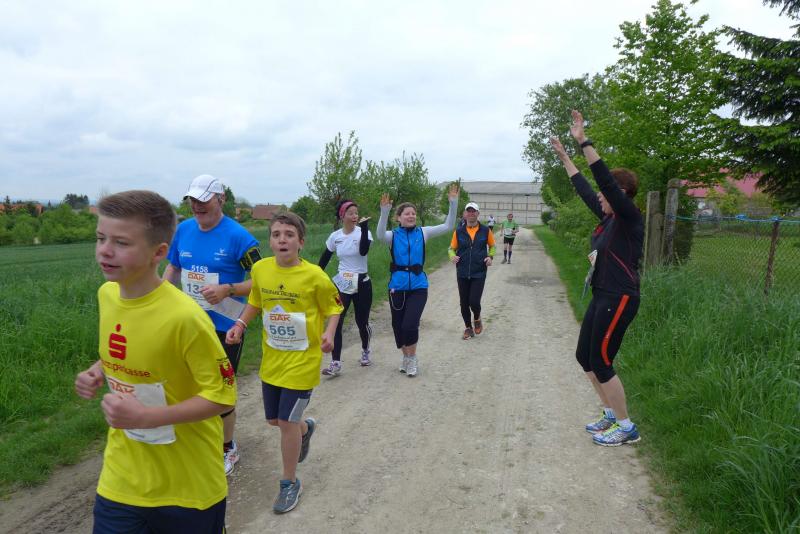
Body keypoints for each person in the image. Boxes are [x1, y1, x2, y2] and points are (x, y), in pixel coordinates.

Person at [75, 190, 236, 534]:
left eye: (121, 242)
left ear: (159, 253)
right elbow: (126, 348)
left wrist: (147, 417)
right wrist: (97, 370)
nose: (105, 250)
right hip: (122, 480)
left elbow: (223, 396)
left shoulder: (186, 318)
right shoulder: (107, 295)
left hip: (188, 488)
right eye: (101, 238)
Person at [226, 212, 342, 513]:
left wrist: (329, 333)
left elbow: (334, 307)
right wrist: (240, 324)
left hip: (303, 362)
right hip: (272, 361)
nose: (282, 239)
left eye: (289, 235)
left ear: (300, 242)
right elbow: (255, 300)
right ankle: (305, 429)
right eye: (276, 234)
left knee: (286, 423)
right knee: (276, 421)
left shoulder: (315, 276)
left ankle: (289, 483)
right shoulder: (261, 269)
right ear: (270, 241)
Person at [549, 109, 644, 446]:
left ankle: (626, 427)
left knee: (602, 361)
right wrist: (565, 157)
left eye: (606, 193)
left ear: (620, 193)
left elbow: (602, 182)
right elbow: (586, 189)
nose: (600, 197)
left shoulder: (629, 217)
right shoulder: (607, 219)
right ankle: (610, 414)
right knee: (585, 357)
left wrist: (583, 141)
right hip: (602, 295)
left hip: (619, 297)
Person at [162, 174, 260, 475]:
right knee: (186, 384)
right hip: (189, 323)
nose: (197, 206)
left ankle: (228, 447)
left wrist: (227, 289)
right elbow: (173, 268)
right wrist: (160, 302)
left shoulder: (239, 237)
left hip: (225, 325)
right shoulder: (184, 230)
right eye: (193, 200)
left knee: (220, 388)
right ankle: (197, 440)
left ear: (221, 199)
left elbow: (262, 280)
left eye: (203, 200)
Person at [376, 184, 459, 377]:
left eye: (413, 213)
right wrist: (384, 212)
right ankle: (406, 357)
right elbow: (380, 235)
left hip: (419, 286)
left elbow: (448, 226)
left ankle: (412, 359)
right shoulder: (393, 236)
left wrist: (453, 203)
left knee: (410, 324)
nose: (411, 216)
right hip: (397, 287)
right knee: (398, 327)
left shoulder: (423, 232)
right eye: (407, 214)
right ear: (399, 218)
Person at [318, 199, 373, 376]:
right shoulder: (335, 236)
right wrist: (314, 276)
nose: (355, 216)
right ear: (342, 216)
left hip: (362, 282)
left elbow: (363, 251)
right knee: (337, 320)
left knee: (361, 321)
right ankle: (335, 362)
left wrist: (364, 228)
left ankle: (365, 350)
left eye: (356, 212)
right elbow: (324, 258)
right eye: (350, 213)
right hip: (343, 282)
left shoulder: (364, 232)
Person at [449, 201, 496, 339]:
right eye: (468, 211)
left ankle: (477, 318)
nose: (471, 213)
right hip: (462, 271)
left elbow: (492, 246)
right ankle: (468, 328)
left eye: (473, 211)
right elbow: (451, 248)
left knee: (474, 301)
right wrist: (452, 256)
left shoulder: (485, 230)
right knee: (464, 302)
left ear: (478, 213)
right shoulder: (459, 231)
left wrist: (490, 257)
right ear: (465, 214)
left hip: (479, 271)